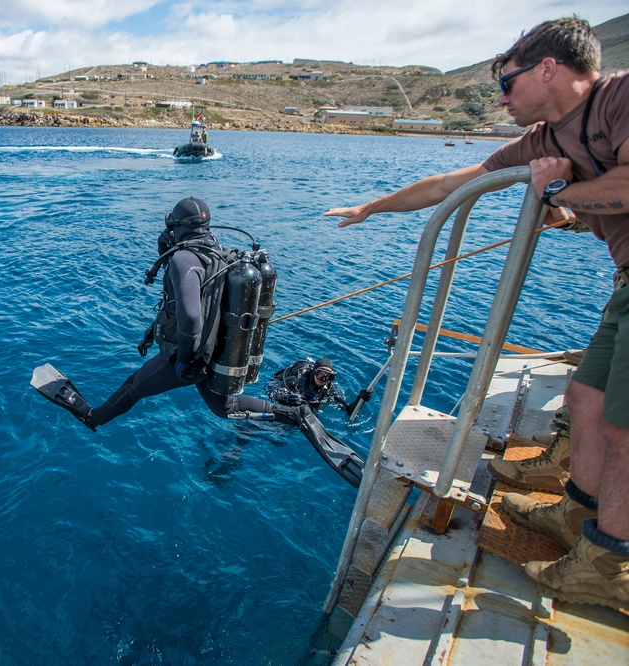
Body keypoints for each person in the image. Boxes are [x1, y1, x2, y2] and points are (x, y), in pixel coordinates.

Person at [324, 17, 628, 610]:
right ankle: (578, 512)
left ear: (548, 69)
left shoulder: (621, 97)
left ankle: (610, 560)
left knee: (624, 423)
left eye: (508, 83)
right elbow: (446, 184)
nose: (501, 97)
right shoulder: (543, 141)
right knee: (587, 397)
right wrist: (371, 208)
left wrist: (556, 195)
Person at [31, 197, 364, 486]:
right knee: (227, 409)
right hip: (217, 356)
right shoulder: (221, 254)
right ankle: (293, 414)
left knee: (133, 387)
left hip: (190, 359)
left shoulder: (184, 259)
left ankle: (93, 416)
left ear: (178, 227)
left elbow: (190, 318)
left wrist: (186, 361)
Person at [268, 357, 355, 415]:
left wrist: (360, 400)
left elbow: (348, 410)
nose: (323, 379)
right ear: (314, 372)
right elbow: (272, 391)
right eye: (320, 374)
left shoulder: (328, 390)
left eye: (327, 376)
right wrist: (285, 399)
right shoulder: (295, 380)